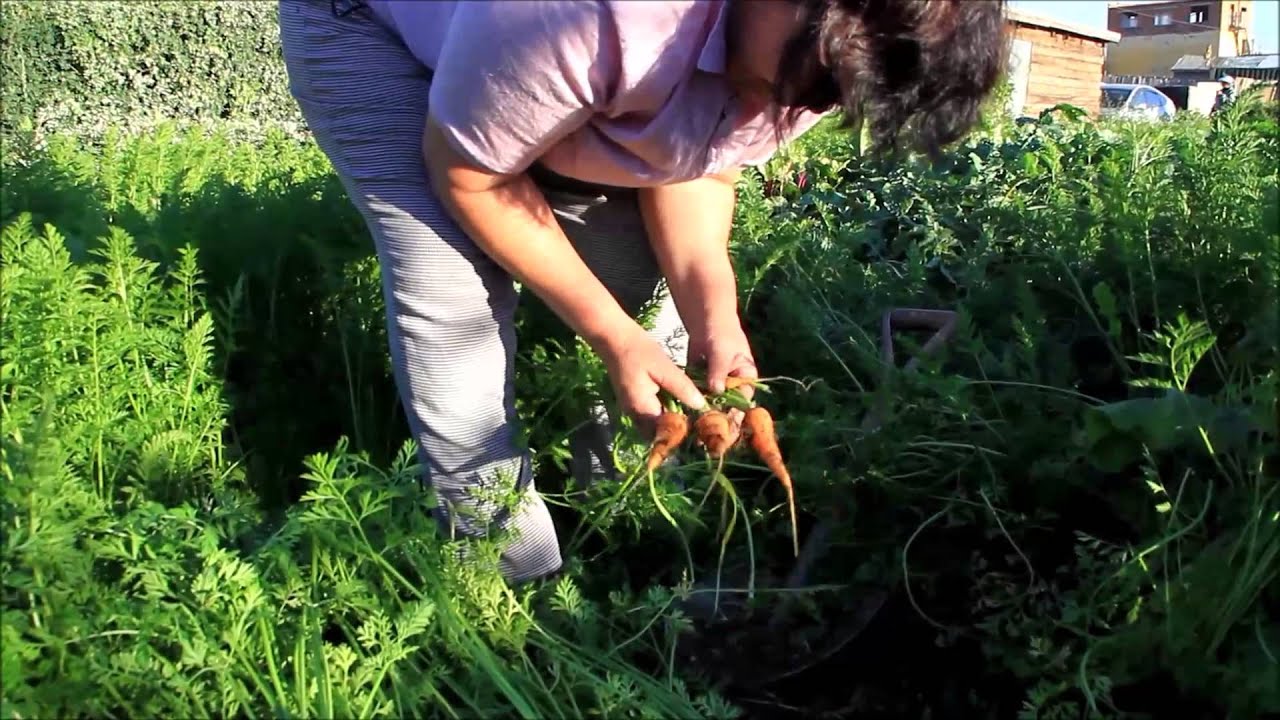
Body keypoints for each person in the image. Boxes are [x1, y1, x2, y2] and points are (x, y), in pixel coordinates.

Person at [277, 0, 1008, 583]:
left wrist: (715, 320)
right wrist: (609, 333)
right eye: (815, 78)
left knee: (628, 271)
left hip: (536, 62)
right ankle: (514, 586)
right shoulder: (601, 13)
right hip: (375, 30)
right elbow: (470, 175)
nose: (801, 106)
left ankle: (620, 509)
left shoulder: (816, 60)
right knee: (454, 300)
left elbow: (698, 163)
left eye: (830, 99)